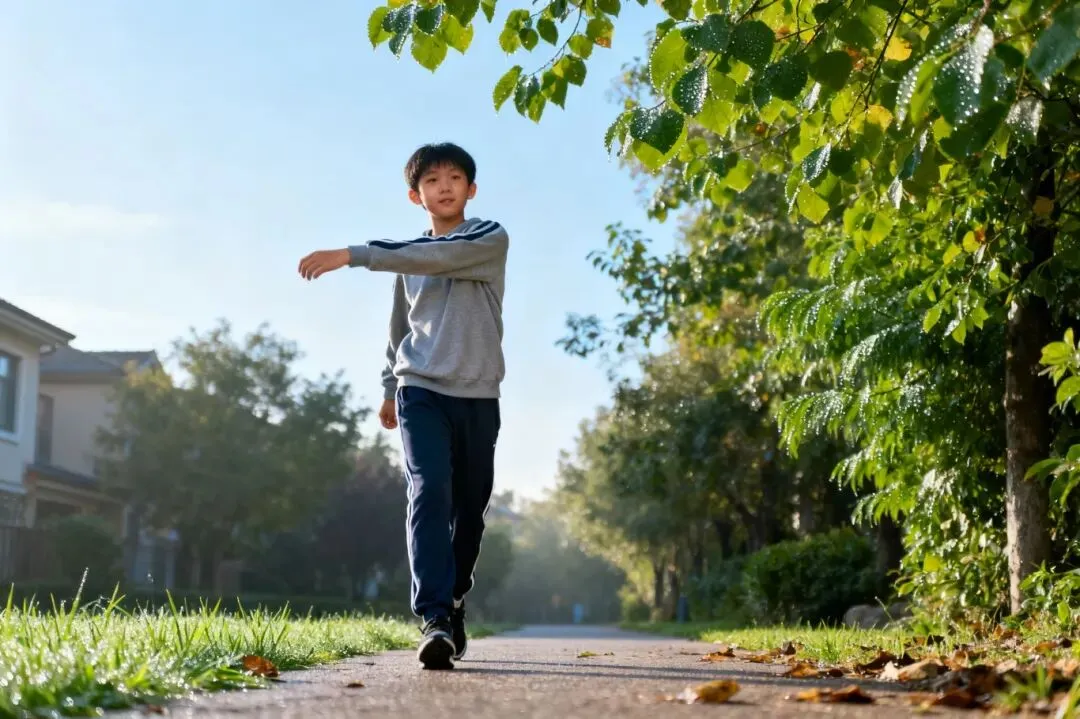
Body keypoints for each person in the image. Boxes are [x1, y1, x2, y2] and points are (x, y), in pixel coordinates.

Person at [297, 142, 508, 670]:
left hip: (478, 392)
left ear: (471, 189)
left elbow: (437, 256)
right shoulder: (406, 261)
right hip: (421, 390)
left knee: (471, 510)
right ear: (416, 196)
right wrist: (390, 388)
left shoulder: (487, 238)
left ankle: (455, 597)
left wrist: (354, 254)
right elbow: (400, 330)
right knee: (429, 488)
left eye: (454, 177)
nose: (444, 186)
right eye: (432, 180)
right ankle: (434, 618)